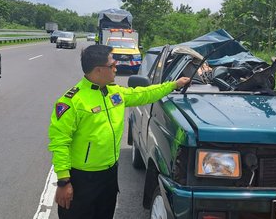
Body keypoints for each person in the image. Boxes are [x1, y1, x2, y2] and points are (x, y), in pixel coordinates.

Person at [47, 44, 190, 219]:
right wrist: (63, 181)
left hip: (109, 176)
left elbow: (144, 94)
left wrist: (174, 84)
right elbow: (60, 143)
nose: (116, 68)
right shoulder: (72, 102)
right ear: (98, 70)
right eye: (112, 65)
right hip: (82, 180)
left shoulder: (114, 93)